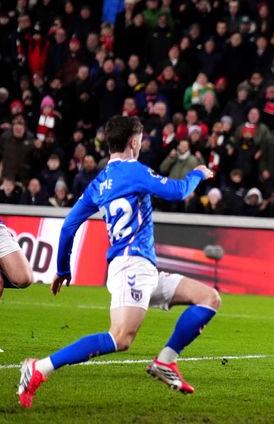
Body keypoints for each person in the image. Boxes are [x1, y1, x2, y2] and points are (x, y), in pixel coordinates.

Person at [18, 116, 220, 408]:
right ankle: (39, 368)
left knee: (208, 298)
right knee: (121, 337)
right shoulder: (134, 171)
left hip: (143, 268)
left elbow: (68, 227)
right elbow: (178, 192)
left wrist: (63, 269)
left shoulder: (97, 184)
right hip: (131, 267)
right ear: (134, 142)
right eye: (141, 140)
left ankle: (165, 362)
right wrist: (198, 174)